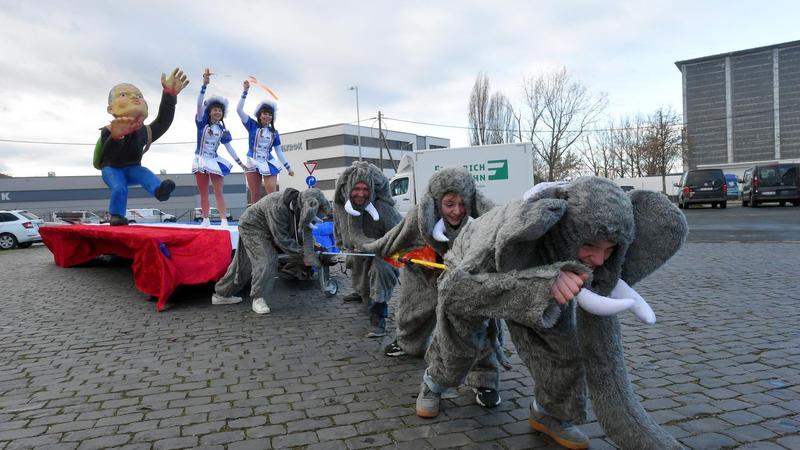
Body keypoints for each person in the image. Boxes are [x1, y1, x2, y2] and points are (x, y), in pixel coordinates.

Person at [415, 177, 687, 450]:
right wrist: (541, 285)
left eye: (610, 249)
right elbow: (453, 292)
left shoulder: (576, 252)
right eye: (590, 245)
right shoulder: (503, 235)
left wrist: (546, 286)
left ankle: (549, 413)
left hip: (542, 274)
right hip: (473, 273)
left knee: (562, 351)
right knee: (458, 347)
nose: (600, 260)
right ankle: (434, 382)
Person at [363, 167, 505, 408]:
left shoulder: (485, 220)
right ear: (437, 202)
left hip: (468, 280)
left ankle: (485, 379)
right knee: (411, 312)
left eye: (462, 203)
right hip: (424, 274)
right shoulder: (420, 216)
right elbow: (392, 241)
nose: (457, 211)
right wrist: (405, 253)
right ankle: (409, 342)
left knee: (481, 325)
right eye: (449, 204)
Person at [212, 187, 330, 314]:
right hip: (252, 227)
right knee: (267, 260)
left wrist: (313, 245)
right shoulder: (277, 206)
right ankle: (258, 298)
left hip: (268, 227)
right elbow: (282, 240)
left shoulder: (298, 206)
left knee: (243, 264)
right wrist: (305, 254)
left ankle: (221, 294)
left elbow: (303, 229)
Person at [94, 69, 189, 226]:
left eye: (139, 96)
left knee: (144, 173)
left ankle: (159, 190)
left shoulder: (144, 131)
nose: (134, 97)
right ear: (111, 109)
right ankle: (117, 215)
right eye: (124, 95)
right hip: (111, 169)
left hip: (132, 168)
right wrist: (116, 137)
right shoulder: (110, 130)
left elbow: (163, 122)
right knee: (119, 187)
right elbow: (109, 156)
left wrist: (169, 96)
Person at [333, 161, 401, 338]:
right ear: (348, 189)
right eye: (356, 189)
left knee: (381, 271)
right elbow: (341, 230)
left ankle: (378, 316)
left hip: (385, 253)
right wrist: (344, 246)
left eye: (365, 189)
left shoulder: (384, 210)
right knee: (364, 289)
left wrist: (392, 251)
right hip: (360, 253)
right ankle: (362, 294)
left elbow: (399, 237)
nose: (361, 194)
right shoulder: (342, 208)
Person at [193, 68, 246, 227]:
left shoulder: (223, 130)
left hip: (214, 160)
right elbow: (198, 103)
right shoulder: (201, 123)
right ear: (209, 112)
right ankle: (205, 219)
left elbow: (229, 148)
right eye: (215, 110)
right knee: (203, 192)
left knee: (218, 192)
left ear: (223, 114)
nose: (217, 112)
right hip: (200, 159)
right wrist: (204, 85)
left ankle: (223, 220)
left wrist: (240, 163)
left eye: (220, 111)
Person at [237, 80, 295, 204]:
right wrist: (245, 91)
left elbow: (279, 152)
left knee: (273, 195)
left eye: (269, 114)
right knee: (255, 196)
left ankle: (273, 219)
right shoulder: (252, 125)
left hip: (268, 163)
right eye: (264, 113)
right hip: (252, 161)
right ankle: (254, 221)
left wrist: (288, 168)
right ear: (259, 115)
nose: (267, 116)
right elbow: (239, 110)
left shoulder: (274, 133)